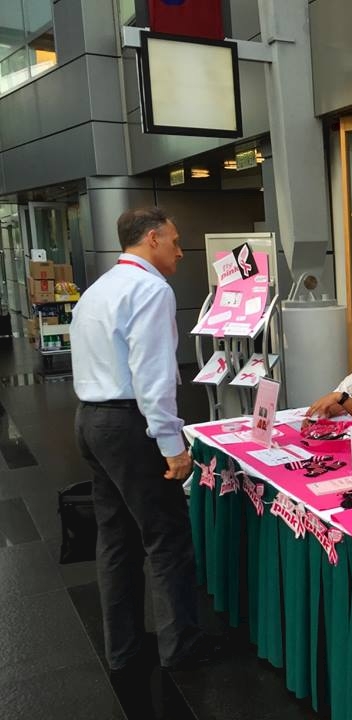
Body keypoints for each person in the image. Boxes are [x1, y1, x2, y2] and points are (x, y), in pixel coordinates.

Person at [72, 208, 217, 674]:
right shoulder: (151, 289)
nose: (180, 249)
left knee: (115, 539)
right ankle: (183, 648)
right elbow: (153, 377)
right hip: (129, 424)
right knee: (167, 537)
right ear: (151, 239)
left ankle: (124, 648)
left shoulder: (98, 289)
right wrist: (172, 445)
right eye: (174, 240)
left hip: (91, 421)